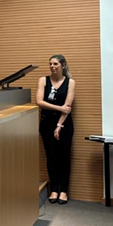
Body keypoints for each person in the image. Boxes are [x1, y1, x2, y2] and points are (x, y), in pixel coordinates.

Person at [37, 54, 76, 205]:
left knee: (64, 157)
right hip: (46, 124)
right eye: (50, 64)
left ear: (63, 65)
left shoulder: (70, 82)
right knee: (51, 156)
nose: (52, 67)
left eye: (55, 64)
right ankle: (54, 188)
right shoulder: (43, 80)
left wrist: (59, 126)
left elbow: (68, 107)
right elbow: (40, 101)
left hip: (64, 124)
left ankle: (64, 190)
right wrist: (59, 108)